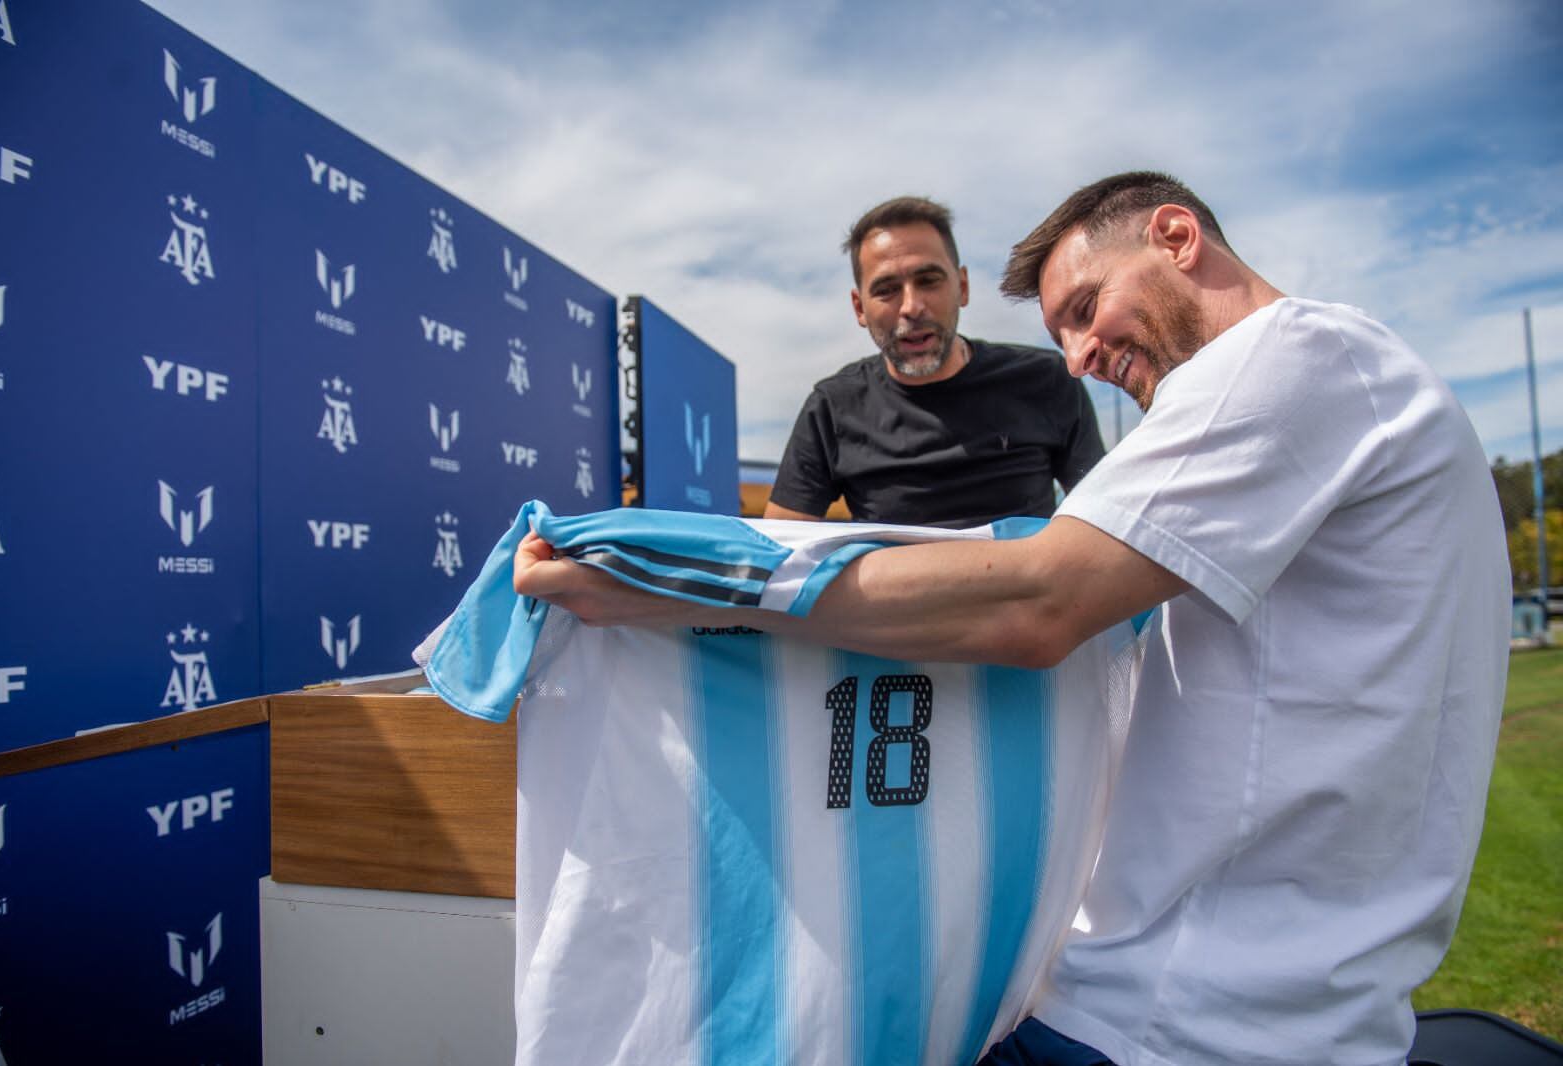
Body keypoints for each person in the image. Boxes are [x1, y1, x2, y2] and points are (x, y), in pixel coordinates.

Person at [514, 171, 1509, 1065]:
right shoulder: (1353, 380)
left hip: (1181, 1016)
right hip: (1272, 997)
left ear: (1174, 237)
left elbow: (1042, 598)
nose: (1077, 358)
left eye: (1083, 307)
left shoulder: (1290, 358)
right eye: (1059, 334)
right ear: (857, 308)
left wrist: (677, 591)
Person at [765, 196, 1105, 527]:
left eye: (928, 281)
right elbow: (779, 550)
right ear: (859, 308)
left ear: (963, 287)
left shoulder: (1046, 381)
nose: (911, 306)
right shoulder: (833, 408)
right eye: (887, 289)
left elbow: (1103, 524)